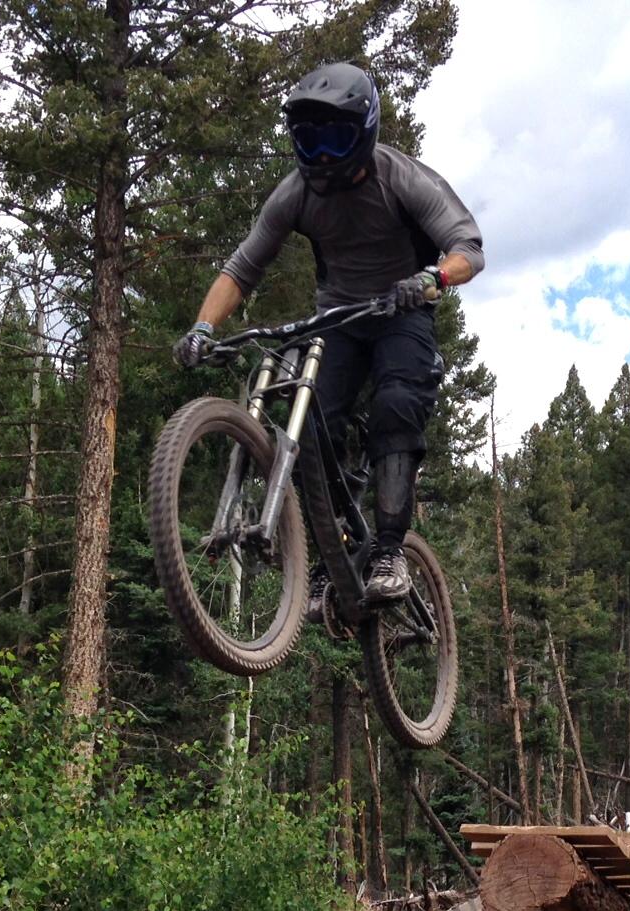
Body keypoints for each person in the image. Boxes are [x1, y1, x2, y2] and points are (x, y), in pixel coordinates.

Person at [174, 61, 485, 609]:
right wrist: (203, 327)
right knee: (311, 428)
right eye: (308, 139)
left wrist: (431, 277)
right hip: (337, 318)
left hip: (401, 311)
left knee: (396, 406)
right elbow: (242, 268)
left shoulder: (402, 178)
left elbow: (468, 250)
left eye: (335, 136)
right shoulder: (295, 193)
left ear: (364, 132)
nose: (321, 153)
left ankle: (389, 551)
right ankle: (332, 555)